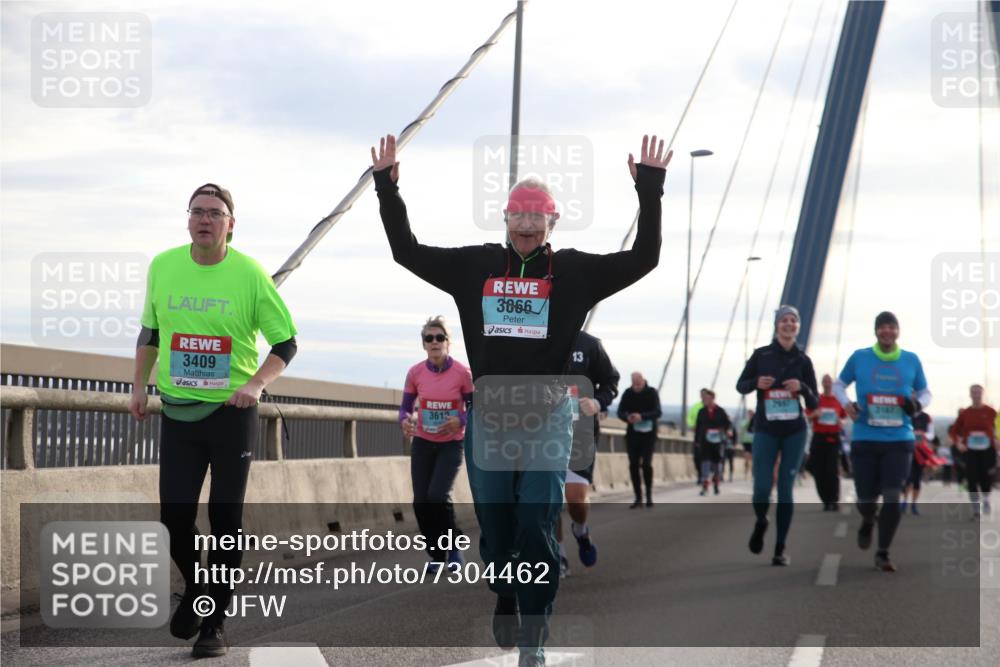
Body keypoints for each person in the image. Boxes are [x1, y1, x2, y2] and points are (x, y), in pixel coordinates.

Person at [372, 133, 671, 666]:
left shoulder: (575, 272)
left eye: (538, 216)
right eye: (518, 215)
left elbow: (644, 257)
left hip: (547, 420)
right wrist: (387, 190)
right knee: (496, 529)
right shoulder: (476, 266)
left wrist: (649, 189)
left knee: (536, 525)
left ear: (553, 222)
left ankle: (533, 642)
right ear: (505, 218)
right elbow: (405, 251)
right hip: (489, 420)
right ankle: (505, 589)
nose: (527, 225)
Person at [130, 184, 298, 658]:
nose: (205, 219)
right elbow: (151, 333)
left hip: (232, 415)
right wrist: (138, 386)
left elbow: (286, 343)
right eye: (198, 212)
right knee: (174, 518)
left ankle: (214, 623)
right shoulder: (164, 266)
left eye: (215, 213)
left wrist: (256, 384)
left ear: (230, 224)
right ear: (188, 219)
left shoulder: (249, 274)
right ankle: (198, 588)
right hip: (179, 413)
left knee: (224, 517)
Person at [834, 311, 932, 572]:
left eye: (892, 327)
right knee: (866, 500)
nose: (887, 331)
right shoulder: (860, 357)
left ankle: (883, 553)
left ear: (898, 331)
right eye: (882, 327)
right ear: (876, 331)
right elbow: (838, 385)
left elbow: (926, 392)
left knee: (892, 497)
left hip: (899, 440)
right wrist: (847, 405)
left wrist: (917, 406)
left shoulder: (911, 360)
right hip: (865, 438)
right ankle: (868, 520)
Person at [736, 305, 818, 566]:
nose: (789, 324)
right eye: (784, 320)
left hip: (795, 430)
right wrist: (756, 383)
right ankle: (761, 520)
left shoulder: (803, 360)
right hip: (766, 429)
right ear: (777, 325)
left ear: (798, 326)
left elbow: (814, 402)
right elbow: (740, 385)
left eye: (793, 320)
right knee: (761, 489)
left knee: (785, 489)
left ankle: (780, 548)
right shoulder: (761, 355)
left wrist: (802, 387)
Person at [399, 316, 474, 572]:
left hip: (451, 444)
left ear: (448, 342)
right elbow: (405, 408)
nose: (434, 342)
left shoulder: (462, 373)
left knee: (438, 496)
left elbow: (476, 407)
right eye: (429, 338)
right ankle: (437, 555)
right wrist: (405, 421)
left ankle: (454, 549)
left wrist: (460, 420)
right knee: (421, 501)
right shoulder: (415, 373)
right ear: (423, 344)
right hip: (423, 441)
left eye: (440, 337)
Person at [557, 330, 620, 577]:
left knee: (575, 498)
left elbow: (610, 381)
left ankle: (580, 530)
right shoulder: (537, 337)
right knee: (549, 499)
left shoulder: (589, 344)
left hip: (581, 432)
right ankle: (558, 554)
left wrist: (597, 402)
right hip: (543, 430)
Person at [950, 384, 998, 518]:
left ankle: (986, 500)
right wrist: (958, 443)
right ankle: (976, 507)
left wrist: (997, 440)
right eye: (974, 392)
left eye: (979, 392)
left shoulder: (991, 412)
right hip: (970, 450)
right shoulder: (965, 413)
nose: (977, 395)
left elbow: (998, 428)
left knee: (985, 477)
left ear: (983, 394)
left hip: (987, 450)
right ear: (970, 395)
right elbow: (954, 431)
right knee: (971, 478)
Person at [618, 371, 664, 508]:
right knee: (633, 464)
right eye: (634, 383)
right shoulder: (628, 393)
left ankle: (649, 495)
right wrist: (627, 417)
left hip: (649, 434)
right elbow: (620, 411)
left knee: (646, 464)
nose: (636, 386)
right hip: (633, 434)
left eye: (638, 383)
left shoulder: (652, 392)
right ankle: (638, 497)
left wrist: (642, 416)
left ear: (643, 381)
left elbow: (658, 412)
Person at [806, 374, 847, 511]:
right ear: (822, 383)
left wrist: (841, 422)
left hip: (833, 438)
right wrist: (814, 414)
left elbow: (845, 418)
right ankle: (826, 500)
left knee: (832, 470)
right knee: (818, 470)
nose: (827, 383)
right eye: (825, 381)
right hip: (819, 438)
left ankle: (834, 500)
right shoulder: (816, 399)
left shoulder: (838, 400)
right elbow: (807, 417)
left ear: (832, 383)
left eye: (829, 381)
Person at [693, 390, 732, 496]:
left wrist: (727, 430)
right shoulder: (701, 411)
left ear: (712, 398)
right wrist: (696, 441)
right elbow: (698, 427)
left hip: (718, 442)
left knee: (717, 464)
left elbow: (728, 424)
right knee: (705, 463)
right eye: (704, 398)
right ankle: (705, 485)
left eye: (707, 398)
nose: (704, 400)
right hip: (705, 441)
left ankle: (716, 483)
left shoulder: (720, 411)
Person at [902, 407, 935, 515]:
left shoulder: (927, 417)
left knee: (917, 479)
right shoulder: (905, 414)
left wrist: (922, 434)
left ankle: (914, 504)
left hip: (921, 452)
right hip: (908, 449)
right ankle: (904, 502)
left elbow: (931, 434)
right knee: (908, 478)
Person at [689, 388, 709, 484]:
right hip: (698, 435)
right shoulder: (696, 407)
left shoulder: (712, 407)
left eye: (705, 394)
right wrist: (692, 425)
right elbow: (689, 417)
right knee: (696, 457)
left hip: (709, 437)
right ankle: (700, 474)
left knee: (706, 457)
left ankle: (705, 475)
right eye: (702, 394)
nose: (703, 396)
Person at [740, 408, 755, 479]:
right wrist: (749, 420)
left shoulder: (755, 422)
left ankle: (752, 473)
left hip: (753, 442)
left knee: (752, 459)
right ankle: (745, 473)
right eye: (749, 414)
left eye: (751, 414)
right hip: (746, 442)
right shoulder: (744, 421)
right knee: (746, 459)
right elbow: (743, 428)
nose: (750, 415)